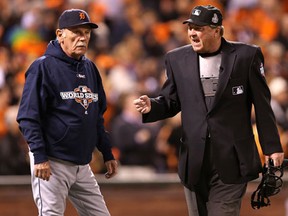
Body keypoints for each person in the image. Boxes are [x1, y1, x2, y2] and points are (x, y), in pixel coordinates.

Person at [133, 5, 284, 216]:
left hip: (232, 158)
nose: (193, 33)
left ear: (217, 30)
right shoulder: (176, 59)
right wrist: (153, 106)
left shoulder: (246, 56)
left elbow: (262, 104)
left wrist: (272, 146)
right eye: (190, 28)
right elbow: (172, 101)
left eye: (199, 28)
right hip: (194, 159)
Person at [16, 9, 118, 216]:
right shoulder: (42, 67)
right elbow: (28, 117)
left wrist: (107, 152)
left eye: (87, 33)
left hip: (82, 163)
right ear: (60, 34)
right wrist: (40, 156)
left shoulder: (90, 68)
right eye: (76, 32)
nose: (83, 37)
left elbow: (97, 116)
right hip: (51, 162)